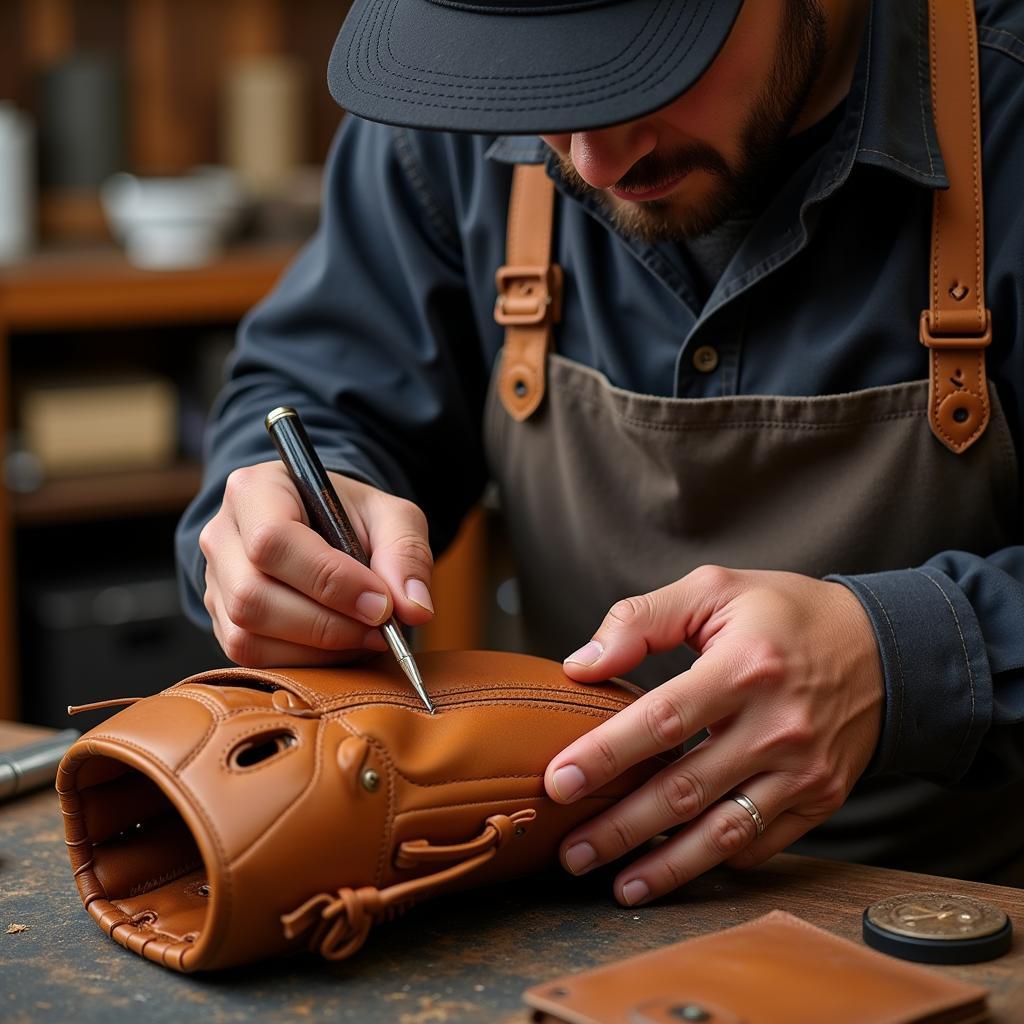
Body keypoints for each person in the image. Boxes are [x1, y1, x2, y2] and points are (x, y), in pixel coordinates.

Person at [177, 0, 1024, 902]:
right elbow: (316, 387)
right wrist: (291, 515)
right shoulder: (459, 123)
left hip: (963, 924)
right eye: (542, 82)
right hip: (566, 912)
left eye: (644, 68)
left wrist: (903, 659)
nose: (592, 160)